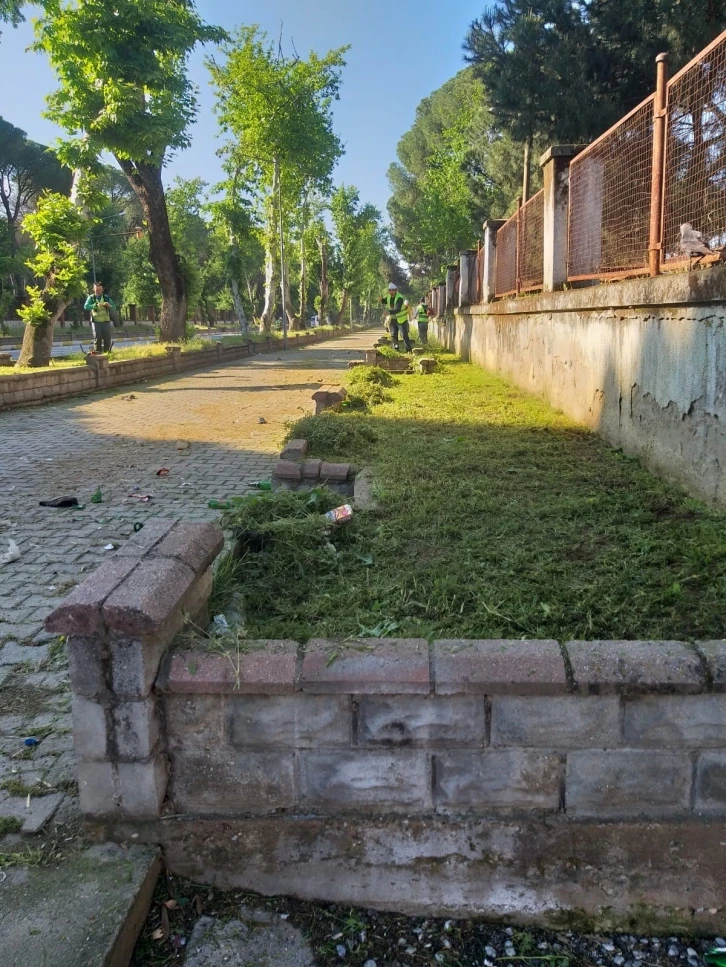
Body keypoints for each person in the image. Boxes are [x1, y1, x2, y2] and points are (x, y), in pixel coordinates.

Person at [84, 282, 117, 353]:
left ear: (102, 289)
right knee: (97, 338)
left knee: (107, 338)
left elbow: (114, 306)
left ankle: (107, 354)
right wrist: (95, 305)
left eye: (100, 290)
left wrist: (109, 306)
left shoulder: (106, 298)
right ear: (93, 289)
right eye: (97, 290)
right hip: (96, 321)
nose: (98, 291)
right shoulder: (91, 298)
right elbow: (86, 306)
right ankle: (98, 354)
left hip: (106, 321)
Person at [380, 282, 411, 351]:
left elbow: (397, 309)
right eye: (390, 290)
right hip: (393, 319)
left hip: (401, 320)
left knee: (404, 335)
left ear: (396, 290)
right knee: (393, 335)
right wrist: (381, 300)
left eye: (393, 290)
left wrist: (388, 312)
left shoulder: (399, 298)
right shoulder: (388, 296)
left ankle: (409, 350)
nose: (391, 292)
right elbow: (385, 301)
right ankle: (396, 349)